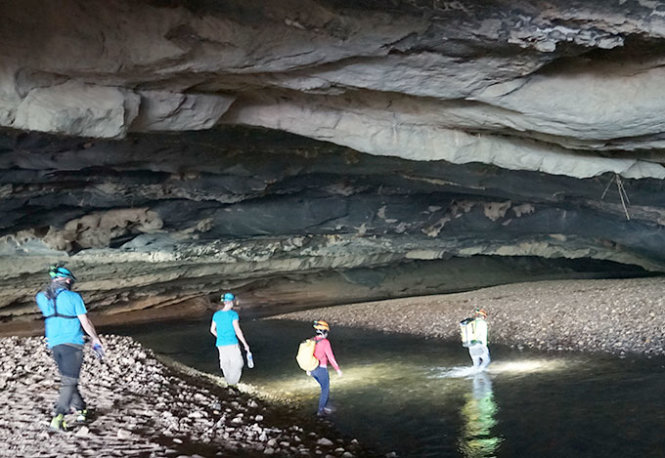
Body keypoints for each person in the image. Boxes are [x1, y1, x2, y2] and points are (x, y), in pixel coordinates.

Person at [35, 265, 103, 432]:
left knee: (68, 379)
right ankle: (58, 416)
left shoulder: (41, 297)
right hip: (72, 344)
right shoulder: (73, 297)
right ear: (67, 280)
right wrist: (95, 339)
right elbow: (85, 321)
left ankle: (81, 410)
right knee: (69, 381)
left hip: (54, 344)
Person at [209, 292, 251, 386]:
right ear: (231, 302)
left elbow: (212, 330)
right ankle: (232, 384)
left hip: (220, 343)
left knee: (225, 364)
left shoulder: (216, 315)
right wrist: (245, 344)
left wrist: (220, 337)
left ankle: (228, 382)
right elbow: (237, 330)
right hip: (232, 343)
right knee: (238, 363)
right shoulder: (233, 314)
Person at [308, 320, 342, 416]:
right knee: (325, 389)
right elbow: (331, 357)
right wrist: (338, 370)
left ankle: (325, 404)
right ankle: (321, 410)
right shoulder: (325, 342)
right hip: (321, 369)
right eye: (326, 332)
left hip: (312, 369)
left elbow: (309, 355)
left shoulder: (312, 340)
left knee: (323, 387)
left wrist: (308, 370)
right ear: (324, 332)